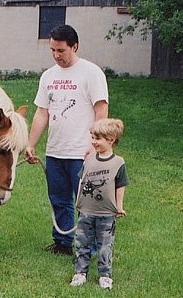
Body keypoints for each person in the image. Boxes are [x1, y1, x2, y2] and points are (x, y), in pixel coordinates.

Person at [25, 24, 109, 255]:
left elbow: (101, 110)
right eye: (52, 50)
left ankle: (88, 249)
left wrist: (96, 147)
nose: (56, 55)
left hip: (82, 153)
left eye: (61, 50)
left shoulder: (91, 73)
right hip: (55, 152)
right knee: (59, 200)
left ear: (75, 46)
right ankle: (62, 243)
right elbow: (42, 113)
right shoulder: (48, 76)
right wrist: (31, 144)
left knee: (87, 203)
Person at [69, 118, 128, 289]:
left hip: (106, 214)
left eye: (98, 138)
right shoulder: (88, 160)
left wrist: (119, 206)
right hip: (86, 211)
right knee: (82, 243)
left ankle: (105, 275)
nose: (94, 142)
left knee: (104, 246)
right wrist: (79, 201)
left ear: (111, 140)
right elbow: (81, 181)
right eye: (92, 137)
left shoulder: (118, 163)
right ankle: (80, 273)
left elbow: (120, 186)